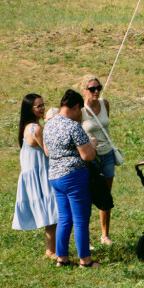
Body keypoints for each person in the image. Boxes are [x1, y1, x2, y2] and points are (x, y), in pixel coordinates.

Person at [43, 89, 100, 268]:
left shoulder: (49, 125)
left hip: (55, 177)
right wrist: (92, 146)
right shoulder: (74, 127)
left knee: (64, 218)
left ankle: (62, 258)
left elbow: (47, 151)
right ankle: (85, 261)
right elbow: (87, 157)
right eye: (80, 110)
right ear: (76, 107)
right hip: (74, 177)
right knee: (81, 219)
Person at [12, 94, 58, 258]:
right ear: (30, 109)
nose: (42, 108)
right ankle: (51, 250)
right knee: (53, 214)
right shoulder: (36, 128)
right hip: (41, 175)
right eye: (38, 106)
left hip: (35, 174)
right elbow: (49, 151)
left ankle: (52, 249)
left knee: (52, 214)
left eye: (43, 105)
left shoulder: (27, 127)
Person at [80, 74, 115, 246]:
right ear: (84, 91)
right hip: (91, 158)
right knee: (87, 196)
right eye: (92, 89)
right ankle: (85, 238)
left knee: (106, 196)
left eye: (98, 88)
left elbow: (106, 125)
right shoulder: (80, 111)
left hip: (107, 154)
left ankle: (105, 235)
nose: (96, 91)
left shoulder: (105, 103)